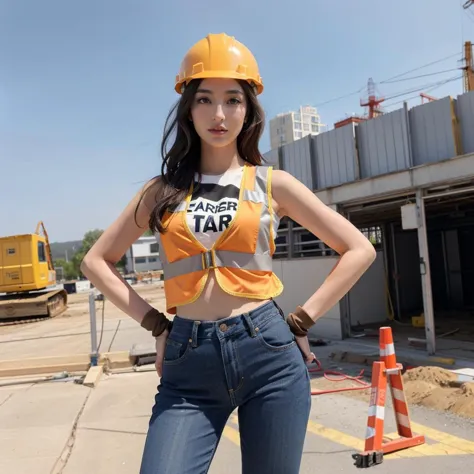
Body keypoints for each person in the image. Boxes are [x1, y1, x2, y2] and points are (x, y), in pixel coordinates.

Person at [81, 32, 376, 474]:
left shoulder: (272, 183)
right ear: (188, 108)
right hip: (188, 361)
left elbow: (358, 248)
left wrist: (301, 319)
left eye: (233, 100)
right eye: (204, 99)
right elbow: (95, 261)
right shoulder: (161, 191)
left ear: (248, 108)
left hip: (268, 352)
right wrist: (156, 324)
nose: (219, 114)